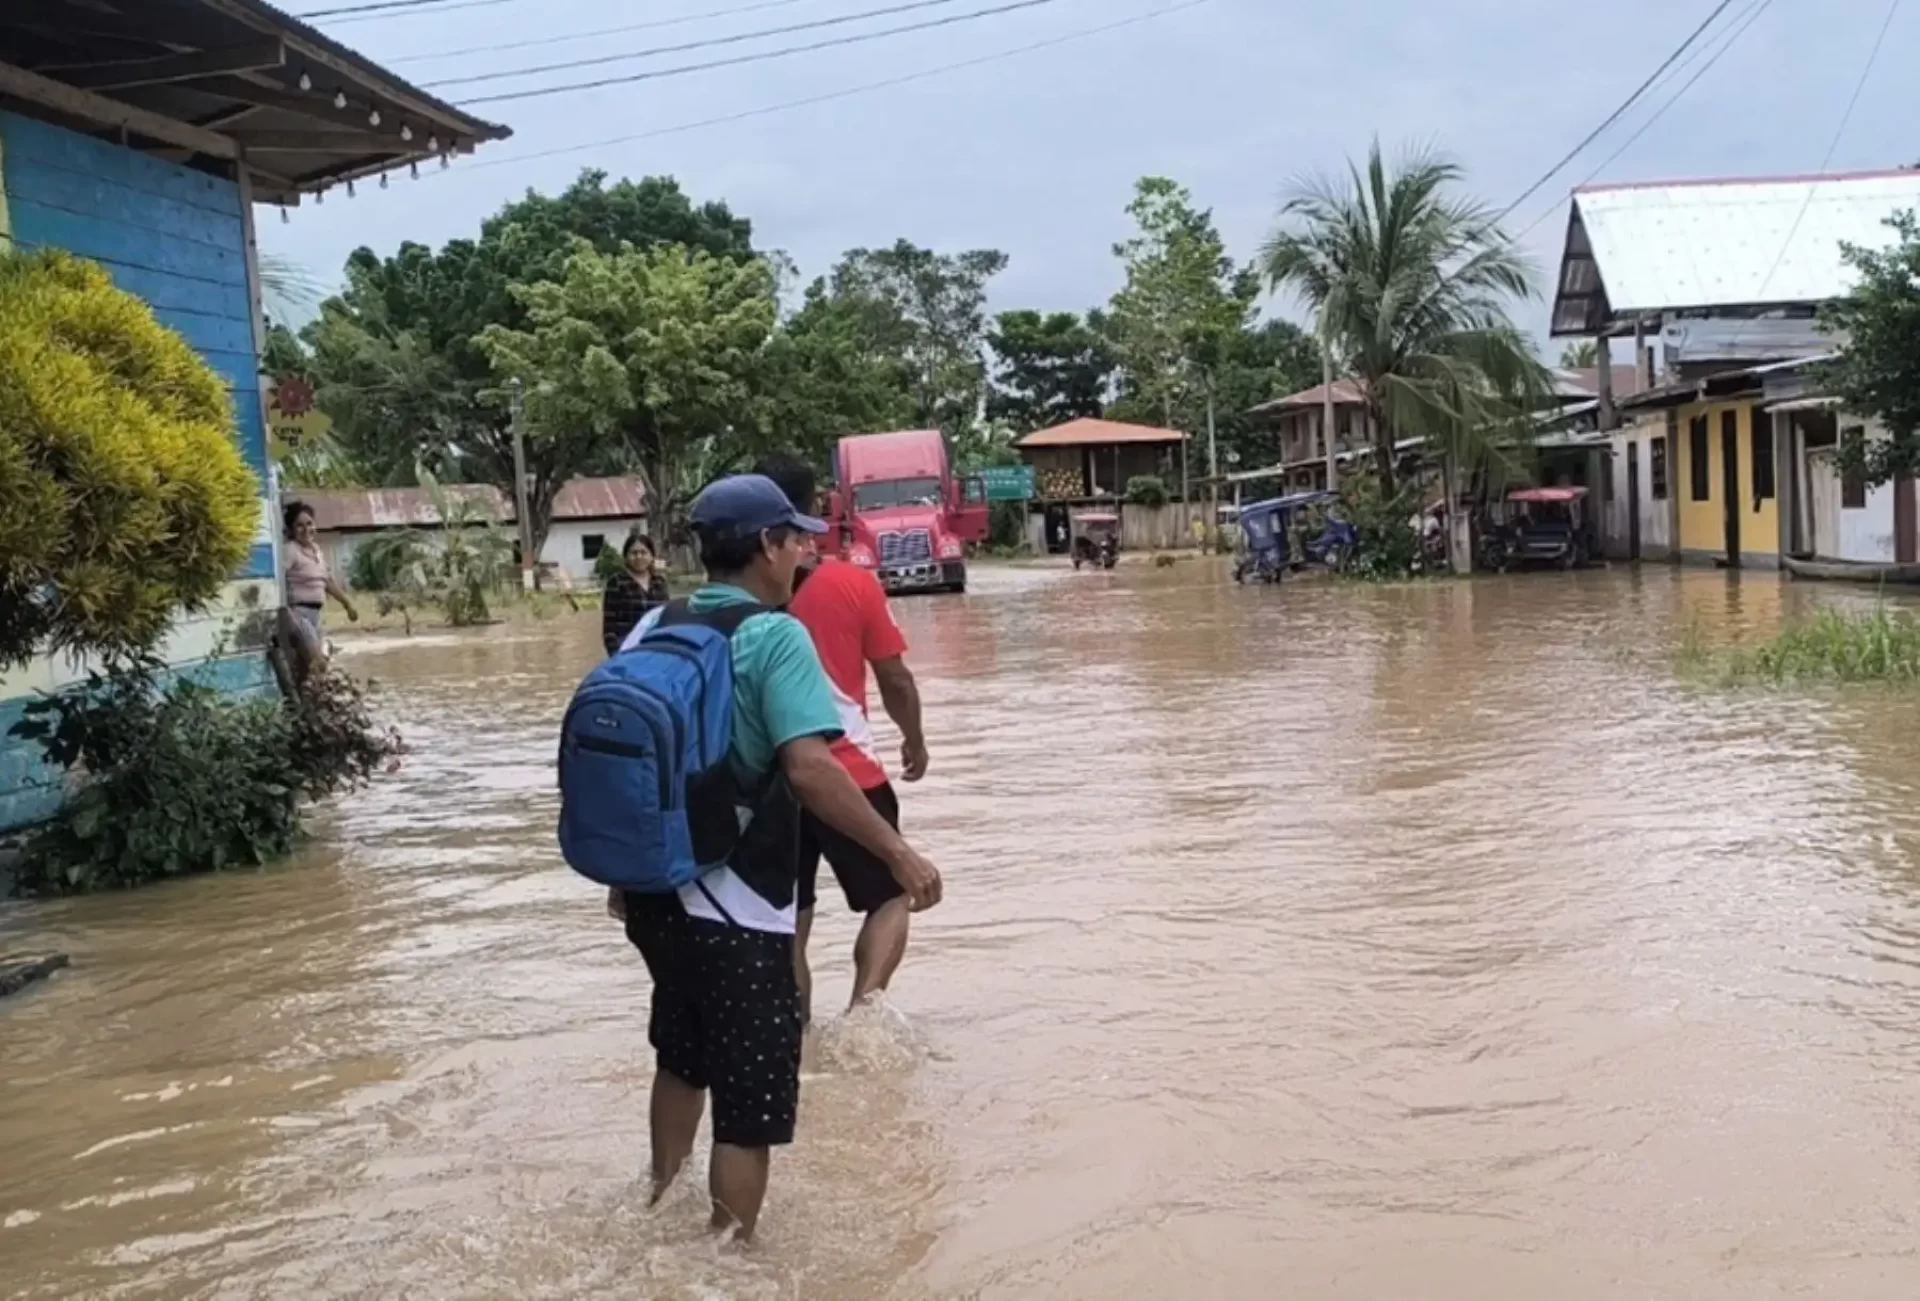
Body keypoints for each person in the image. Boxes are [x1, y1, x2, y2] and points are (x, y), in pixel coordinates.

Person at [612, 474, 943, 1242]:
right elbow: (810, 768)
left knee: (682, 1053)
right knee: (748, 1100)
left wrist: (624, 875)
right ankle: (728, 1259)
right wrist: (899, 853)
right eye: (794, 538)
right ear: (766, 544)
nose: (802, 551)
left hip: (655, 892)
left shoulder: (654, 623)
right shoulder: (774, 635)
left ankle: (658, 1198)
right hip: (736, 904)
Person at [751, 454, 929, 1022]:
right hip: (848, 775)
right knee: (892, 894)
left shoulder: (738, 598)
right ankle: (862, 1018)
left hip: (767, 783)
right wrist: (914, 739)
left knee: (788, 924)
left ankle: (795, 1040)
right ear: (816, 507)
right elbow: (895, 678)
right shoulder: (852, 583)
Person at [283, 500, 358, 638]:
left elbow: (328, 582)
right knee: (315, 651)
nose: (306, 529)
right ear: (291, 529)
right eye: (299, 525)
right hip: (298, 614)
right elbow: (279, 578)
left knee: (319, 649)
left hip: (315, 614)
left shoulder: (317, 551)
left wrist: (347, 604)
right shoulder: (291, 550)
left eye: (309, 524)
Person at [601, 531, 670, 655]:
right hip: (628, 649)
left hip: (657, 647)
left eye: (643, 552)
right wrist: (615, 654)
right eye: (634, 553)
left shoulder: (659, 582)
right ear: (626, 556)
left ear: (651, 556)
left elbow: (667, 616)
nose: (639, 557)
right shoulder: (616, 582)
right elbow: (609, 625)